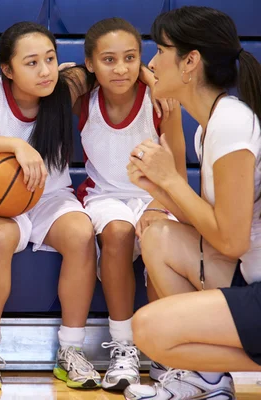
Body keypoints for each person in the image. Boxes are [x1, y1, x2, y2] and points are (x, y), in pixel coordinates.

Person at [0, 21, 102, 391]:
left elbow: (107, 68)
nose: (45, 70)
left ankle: (72, 350)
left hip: (51, 196)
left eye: (50, 59)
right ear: (7, 69)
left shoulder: (66, 86)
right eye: (31, 63)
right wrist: (14, 145)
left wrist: (144, 71)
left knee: (81, 233)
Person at [121, 6, 261, 400]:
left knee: (148, 329)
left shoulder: (232, 124)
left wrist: (169, 178)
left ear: (189, 63)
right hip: (250, 275)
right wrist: (159, 189)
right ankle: (207, 379)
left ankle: (210, 374)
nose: (151, 62)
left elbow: (231, 241)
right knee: (157, 235)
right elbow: (214, 226)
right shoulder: (210, 125)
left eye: (160, 50)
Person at [72, 17, 186, 391]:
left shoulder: (162, 102)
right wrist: (66, 74)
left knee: (158, 238)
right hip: (105, 195)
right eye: (108, 60)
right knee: (118, 233)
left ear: (142, 58)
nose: (120, 68)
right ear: (90, 63)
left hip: (158, 194)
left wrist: (156, 203)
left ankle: (164, 351)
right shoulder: (82, 99)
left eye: (130, 57)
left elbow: (179, 169)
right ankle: (124, 348)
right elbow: (46, 81)